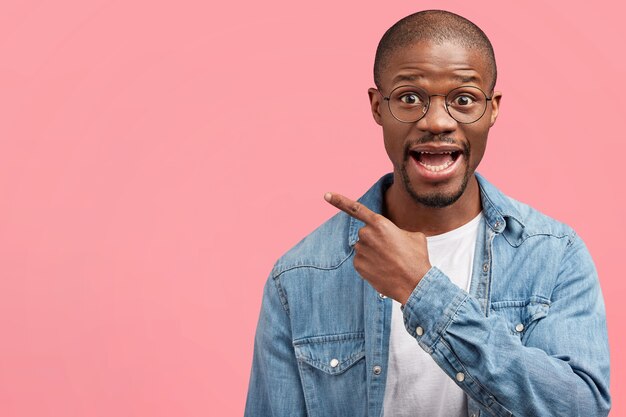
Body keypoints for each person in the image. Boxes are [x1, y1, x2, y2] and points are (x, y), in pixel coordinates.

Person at [244, 9, 611, 417]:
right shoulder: (299, 277)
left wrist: (422, 290)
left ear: (492, 109)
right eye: (409, 98)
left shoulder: (554, 256)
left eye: (464, 99)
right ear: (377, 107)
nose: (437, 122)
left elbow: (582, 409)